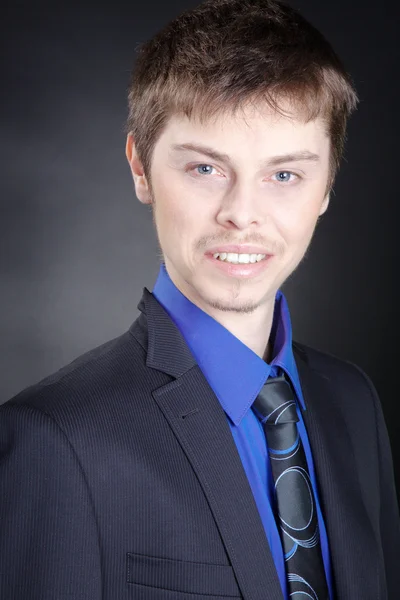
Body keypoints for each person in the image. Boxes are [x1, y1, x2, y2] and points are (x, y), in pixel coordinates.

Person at [1, 0, 399, 598]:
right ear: (141, 166)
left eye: (284, 175)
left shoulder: (354, 403)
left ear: (328, 185)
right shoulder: (51, 441)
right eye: (205, 169)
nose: (242, 214)